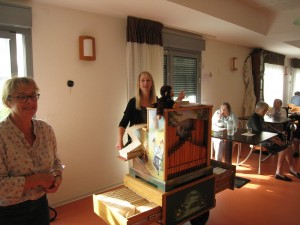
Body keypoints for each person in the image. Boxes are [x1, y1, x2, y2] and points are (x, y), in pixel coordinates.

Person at [116, 71, 209, 225]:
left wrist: (177, 101)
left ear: (152, 83)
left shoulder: (157, 100)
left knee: (157, 178)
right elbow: (123, 122)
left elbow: (167, 118)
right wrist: (119, 139)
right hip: (140, 147)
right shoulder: (133, 102)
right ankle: (149, 211)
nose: (145, 83)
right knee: (144, 180)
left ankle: (161, 212)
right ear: (139, 84)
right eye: (142, 80)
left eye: (148, 80)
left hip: (156, 145)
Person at [0, 77, 63, 225]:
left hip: (41, 206)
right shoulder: (2, 135)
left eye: (33, 95)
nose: (30, 101)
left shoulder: (46, 130)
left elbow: (56, 162)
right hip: (9, 212)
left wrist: (57, 176)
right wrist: (39, 179)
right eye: (22, 96)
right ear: (7, 101)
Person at [247, 101, 300, 182]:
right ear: (258, 109)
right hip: (259, 140)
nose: (265, 112)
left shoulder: (260, 117)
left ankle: (291, 168)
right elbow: (260, 133)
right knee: (284, 148)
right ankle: (279, 173)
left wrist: (275, 137)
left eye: (266, 110)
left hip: (265, 138)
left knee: (287, 146)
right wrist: (274, 139)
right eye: (264, 110)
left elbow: (265, 130)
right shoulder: (254, 118)